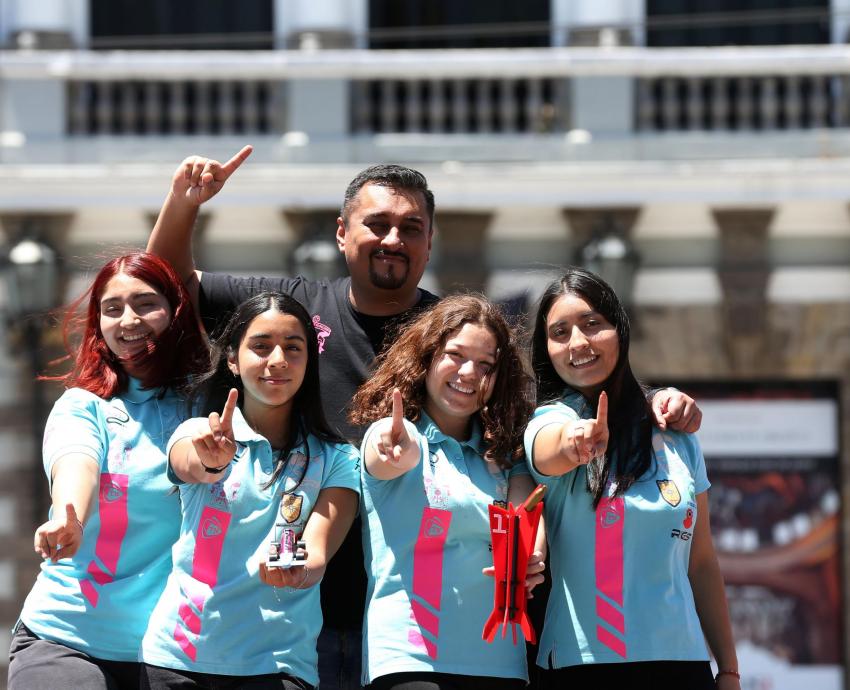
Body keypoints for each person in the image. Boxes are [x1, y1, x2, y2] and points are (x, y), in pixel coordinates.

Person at [147, 145, 703, 688]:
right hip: (292, 616)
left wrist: (650, 403)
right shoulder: (294, 307)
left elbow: (526, 425)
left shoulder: (453, 335)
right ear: (342, 233)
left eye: (411, 227)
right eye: (378, 224)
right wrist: (184, 203)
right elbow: (170, 290)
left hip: (411, 625)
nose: (393, 239)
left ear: (430, 242)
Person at [523, 267, 740, 690]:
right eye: (560, 332)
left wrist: (728, 669)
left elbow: (702, 562)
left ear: (619, 331)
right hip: (582, 664)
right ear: (546, 349)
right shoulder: (549, 420)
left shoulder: (677, 437)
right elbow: (547, 448)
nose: (579, 343)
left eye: (592, 325)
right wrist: (577, 442)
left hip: (684, 662)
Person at [139, 292, 360, 689]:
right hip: (178, 661)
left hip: (278, 667)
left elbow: (317, 551)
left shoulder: (339, 459)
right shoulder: (198, 432)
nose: (277, 360)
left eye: (293, 348)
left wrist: (297, 569)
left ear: (309, 361)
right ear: (232, 360)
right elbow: (192, 463)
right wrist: (213, 460)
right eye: (260, 346)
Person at [8, 252, 208, 690]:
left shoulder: (210, 407)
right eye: (111, 309)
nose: (127, 320)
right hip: (66, 637)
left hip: (175, 654)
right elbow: (75, 459)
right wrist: (69, 516)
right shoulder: (84, 406)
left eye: (145, 304)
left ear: (177, 312)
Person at [349, 295, 545, 690]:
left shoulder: (508, 458)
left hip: (501, 662)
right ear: (425, 357)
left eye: (486, 365)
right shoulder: (397, 436)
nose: (469, 372)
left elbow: (529, 512)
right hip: (410, 661)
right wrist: (392, 449)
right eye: (455, 355)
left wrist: (533, 557)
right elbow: (385, 455)